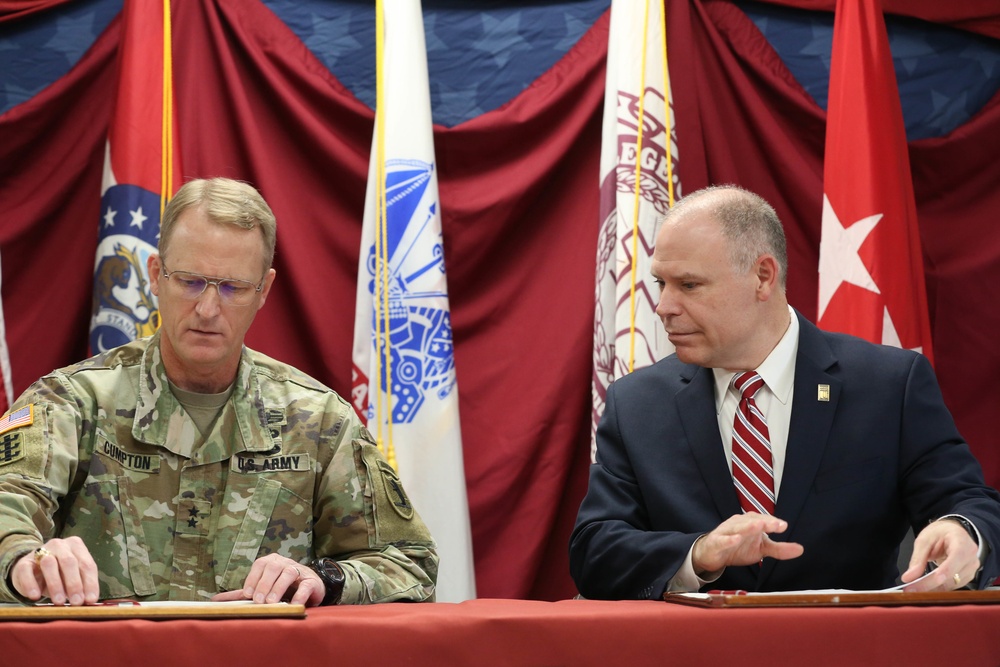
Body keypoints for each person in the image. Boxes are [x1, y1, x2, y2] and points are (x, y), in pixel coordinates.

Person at [0, 177, 437, 607]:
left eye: (233, 288)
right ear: (156, 275)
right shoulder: (70, 403)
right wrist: (24, 560)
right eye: (190, 281)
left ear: (264, 290)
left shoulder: (319, 422)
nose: (208, 309)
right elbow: (7, 506)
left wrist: (325, 578)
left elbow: (411, 565)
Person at [569, 184, 1000, 599]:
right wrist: (698, 554)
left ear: (762, 276)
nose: (663, 306)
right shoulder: (637, 404)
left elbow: (970, 501)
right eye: (661, 283)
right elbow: (595, 549)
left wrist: (964, 530)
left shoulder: (888, 385)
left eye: (689, 285)